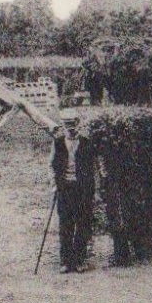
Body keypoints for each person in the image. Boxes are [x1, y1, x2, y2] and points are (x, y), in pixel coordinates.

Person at [51, 114, 96, 273]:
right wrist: (54, 184)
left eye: (73, 124)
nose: (70, 127)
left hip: (82, 190)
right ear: (63, 125)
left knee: (83, 224)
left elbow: (92, 168)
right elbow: (52, 165)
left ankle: (80, 260)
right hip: (65, 188)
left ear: (78, 124)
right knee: (65, 225)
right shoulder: (58, 143)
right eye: (67, 124)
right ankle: (65, 261)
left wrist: (91, 190)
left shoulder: (86, 143)